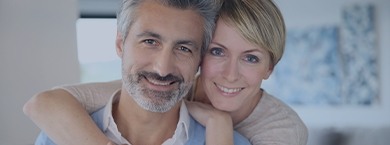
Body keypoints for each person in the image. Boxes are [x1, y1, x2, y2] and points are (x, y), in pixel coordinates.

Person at [24, 0, 308, 145]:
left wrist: (221, 128)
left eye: (184, 48)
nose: (162, 68)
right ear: (120, 44)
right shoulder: (62, 133)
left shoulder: (275, 133)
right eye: (150, 41)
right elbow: (44, 103)